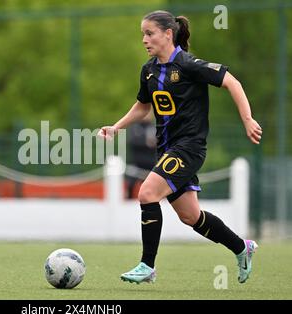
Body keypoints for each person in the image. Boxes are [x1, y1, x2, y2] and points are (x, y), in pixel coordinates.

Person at [98, 10, 262, 284]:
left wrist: (247, 119)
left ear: (168, 34)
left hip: (189, 148)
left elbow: (232, 82)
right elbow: (142, 106)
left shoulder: (188, 65)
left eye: (149, 33)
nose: (144, 40)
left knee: (147, 193)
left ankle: (147, 266)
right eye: (143, 34)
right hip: (166, 150)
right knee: (190, 216)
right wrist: (116, 127)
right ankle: (241, 248)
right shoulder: (149, 70)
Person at [126, 111, 156, 198]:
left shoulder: (154, 127)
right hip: (136, 162)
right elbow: (132, 141)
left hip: (151, 163)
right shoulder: (135, 127)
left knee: (152, 186)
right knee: (131, 183)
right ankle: (128, 202)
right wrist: (147, 143)